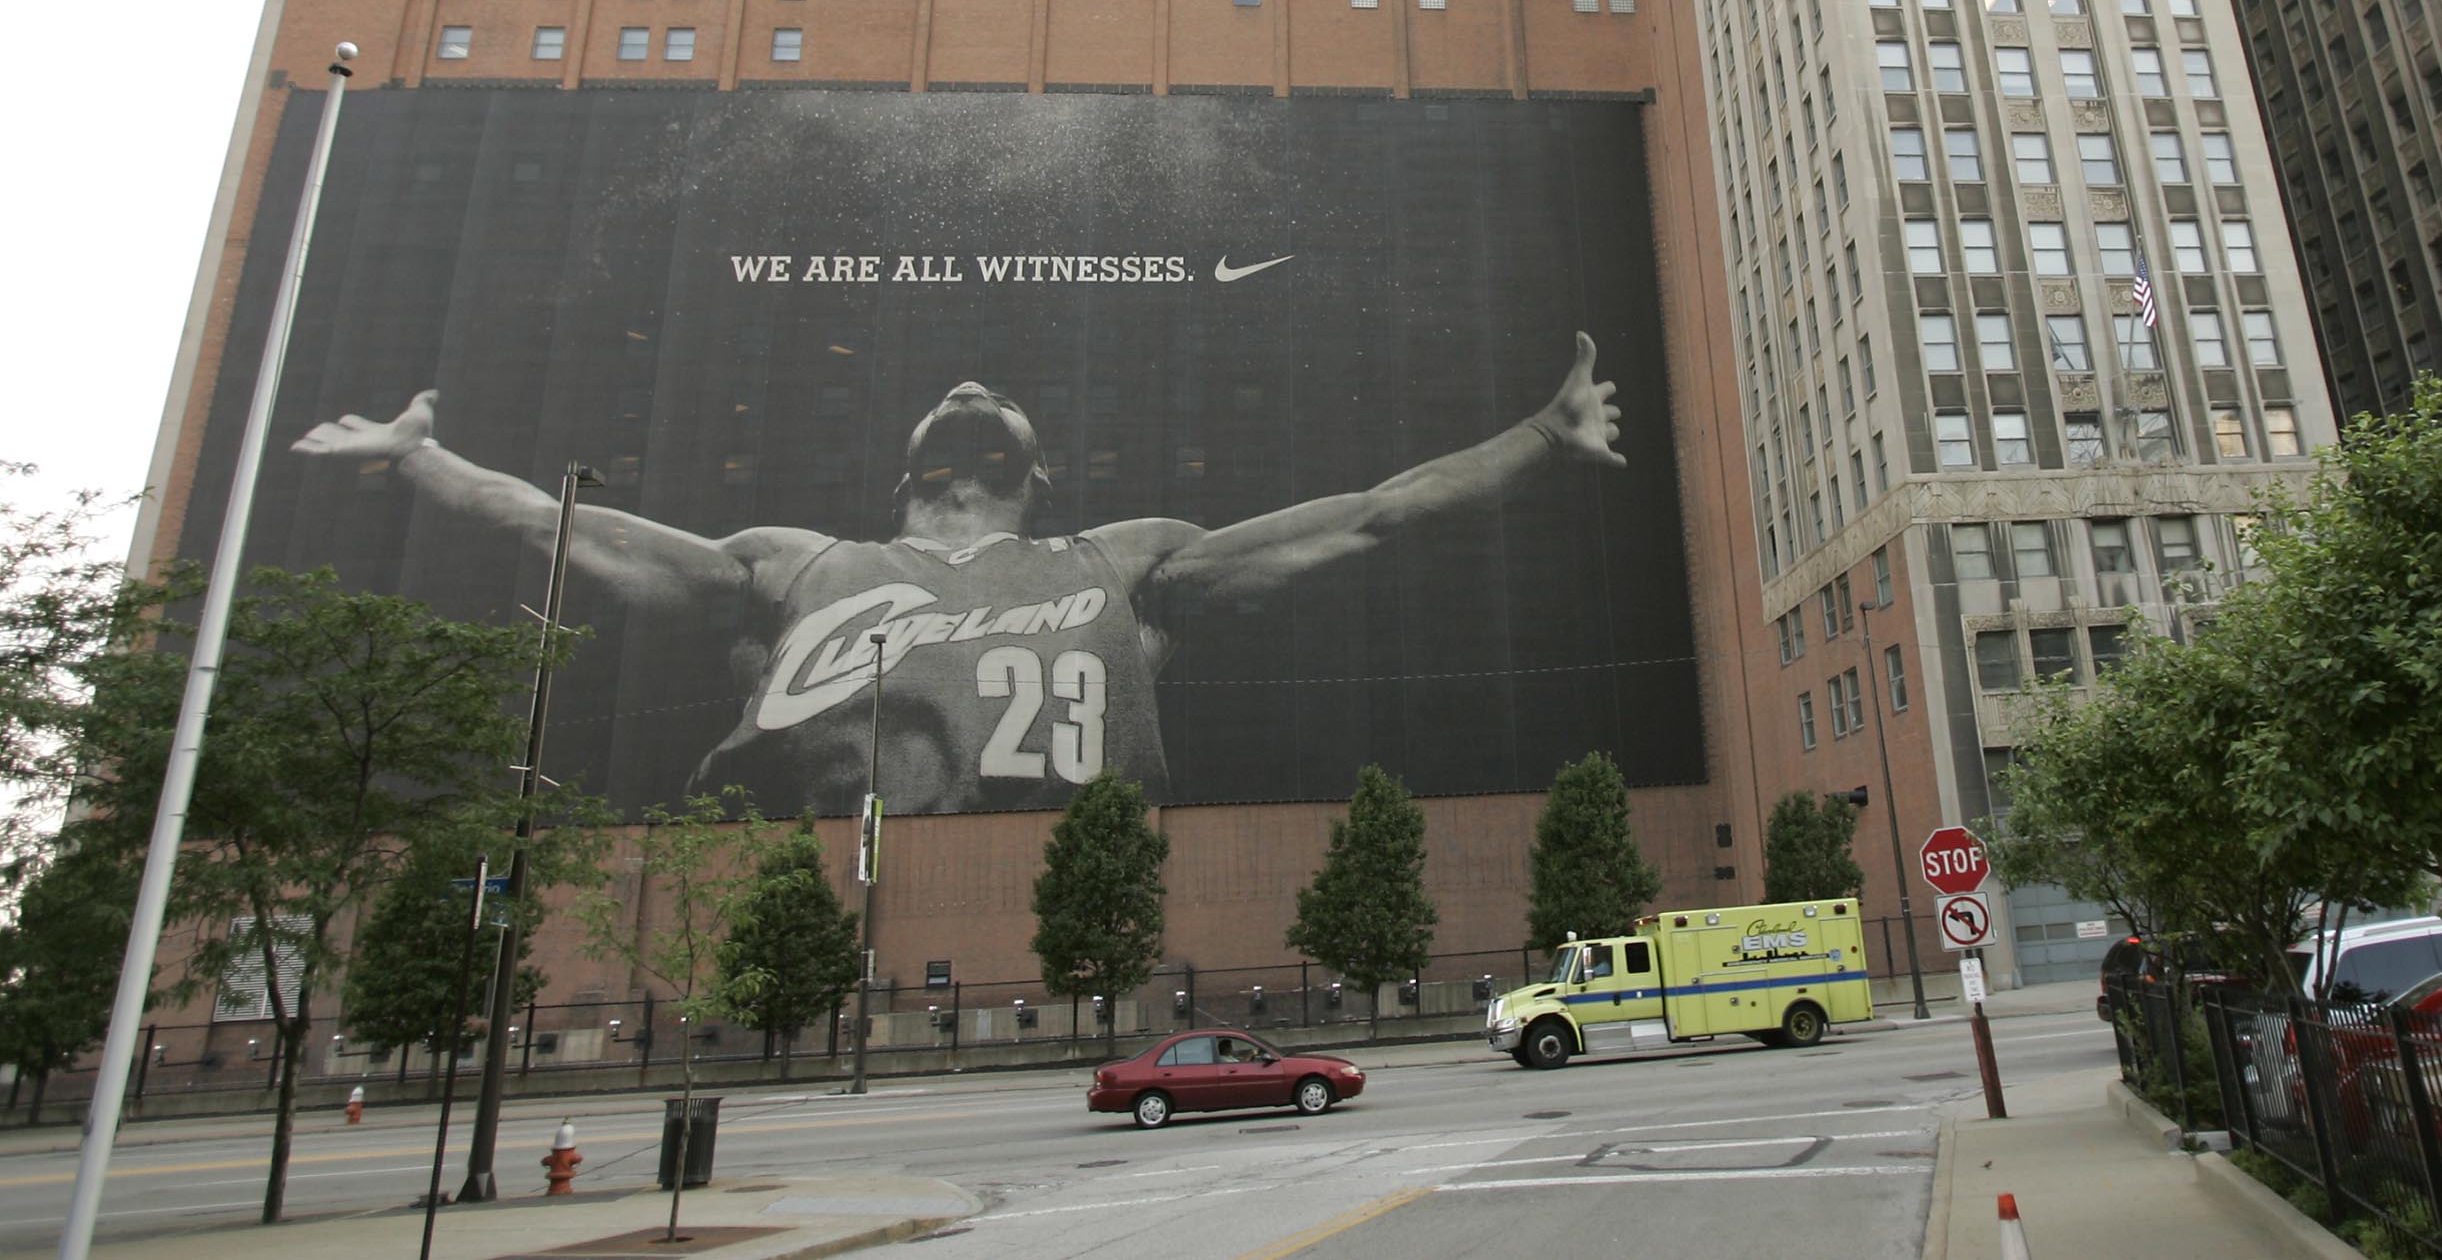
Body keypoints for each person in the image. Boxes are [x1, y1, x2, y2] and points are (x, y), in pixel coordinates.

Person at [290, 335, 1625, 813]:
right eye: (952, 398)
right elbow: (565, 530)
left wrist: (1537, 437)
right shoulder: (805, 564)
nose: (974, 388)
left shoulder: (1122, 562)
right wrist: (423, 459)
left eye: (999, 402)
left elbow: (1373, 522)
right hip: (831, 890)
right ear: (906, 473)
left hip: (1082, 893)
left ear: (1040, 474)